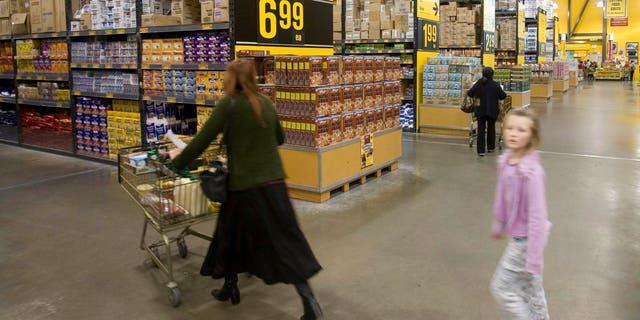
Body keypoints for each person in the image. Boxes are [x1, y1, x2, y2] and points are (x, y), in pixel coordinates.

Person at [170, 59, 323, 320]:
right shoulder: (265, 102)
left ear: (232, 79)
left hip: (244, 188)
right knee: (284, 242)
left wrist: (175, 164)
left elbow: (200, 142)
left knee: (229, 238)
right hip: (274, 186)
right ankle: (307, 300)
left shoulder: (228, 105)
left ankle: (230, 286)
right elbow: (280, 139)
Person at [489, 108, 552, 319]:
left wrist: (534, 258)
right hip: (518, 236)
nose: (513, 134)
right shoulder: (506, 161)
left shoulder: (531, 172)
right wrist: (499, 223)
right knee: (531, 289)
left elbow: (537, 216)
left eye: (521, 130)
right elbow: (501, 195)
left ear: (532, 136)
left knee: (501, 287)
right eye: (509, 128)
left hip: (527, 240)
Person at [467, 67, 507, 156]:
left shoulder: (478, 83)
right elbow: (503, 96)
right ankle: (490, 147)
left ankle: (481, 151)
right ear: (492, 75)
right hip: (492, 110)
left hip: (480, 109)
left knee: (481, 129)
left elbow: (469, 93)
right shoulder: (495, 85)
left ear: (483, 74)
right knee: (491, 128)